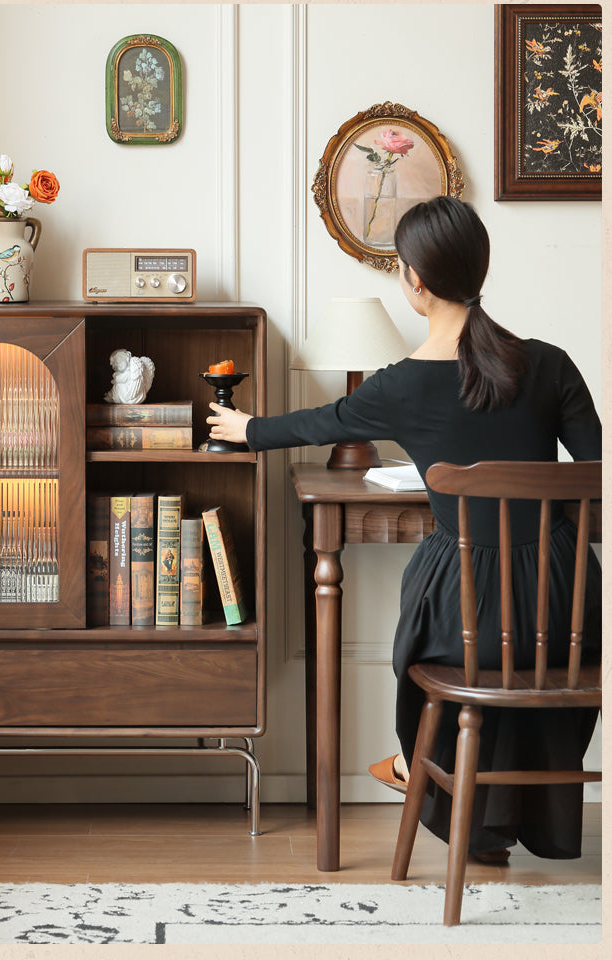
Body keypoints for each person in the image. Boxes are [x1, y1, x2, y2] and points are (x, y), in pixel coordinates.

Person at [206, 195, 601, 862]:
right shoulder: (551, 363)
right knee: (511, 634)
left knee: (450, 618)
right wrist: (543, 530)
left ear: (414, 280)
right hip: (566, 607)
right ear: (479, 269)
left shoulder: (400, 387)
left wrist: (246, 429)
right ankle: (484, 814)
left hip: (469, 608)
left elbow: (317, 424)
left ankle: (427, 772)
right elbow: (596, 472)